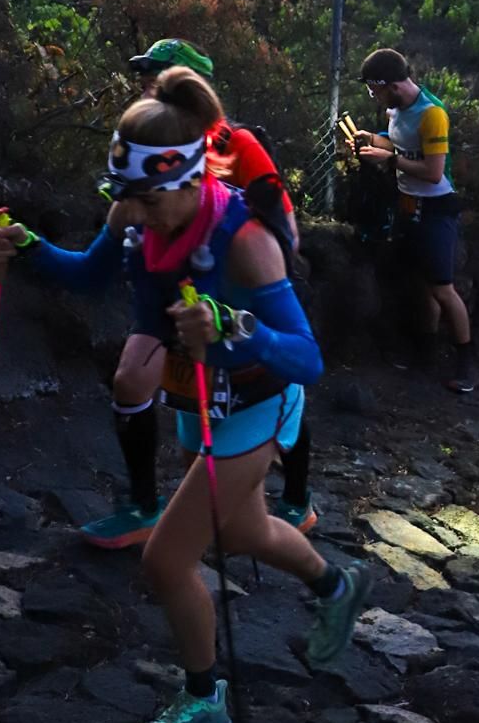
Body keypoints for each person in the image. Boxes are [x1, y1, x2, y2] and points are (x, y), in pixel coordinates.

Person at [0, 66, 367, 723]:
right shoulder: (135, 214)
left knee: (165, 560)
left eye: (148, 200)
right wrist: (28, 247)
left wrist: (232, 326)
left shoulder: (246, 243)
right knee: (245, 530)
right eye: (125, 197)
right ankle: (336, 584)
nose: (134, 213)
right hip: (199, 397)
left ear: (191, 180)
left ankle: (203, 699)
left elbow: (308, 359)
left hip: (255, 403)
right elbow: (88, 276)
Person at [80, 38, 314, 548]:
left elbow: (282, 223)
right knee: (131, 379)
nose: (147, 83)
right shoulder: (143, 143)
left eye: (158, 73)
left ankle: (297, 497)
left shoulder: (237, 143)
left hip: (241, 288)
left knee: (278, 388)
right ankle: (145, 504)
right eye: (145, 74)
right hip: (177, 296)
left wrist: (248, 280)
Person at [351, 48, 475, 393]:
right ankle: (425, 353)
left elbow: (433, 171)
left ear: (391, 85)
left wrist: (388, 160)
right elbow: (399, 143)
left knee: (443, 288)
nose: (374, 97)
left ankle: (467, 362)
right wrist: (371, 139)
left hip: (436, 208)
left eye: (374, 90)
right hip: (408, 204)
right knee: (421, 284)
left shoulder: (431, 114)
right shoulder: (396, 109)